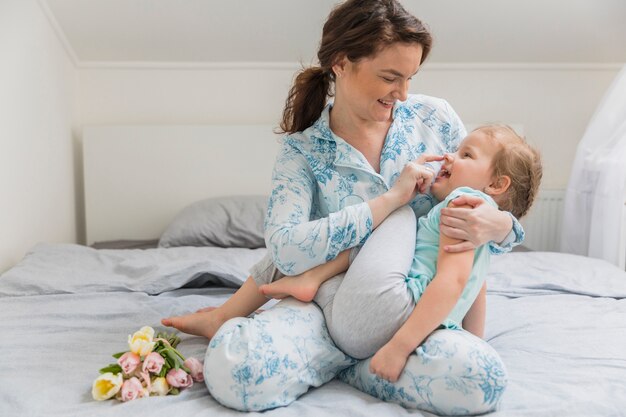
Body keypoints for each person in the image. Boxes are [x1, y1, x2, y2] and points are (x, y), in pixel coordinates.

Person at [162, 0, 525, 413]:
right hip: (325, 310)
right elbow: (285, 249)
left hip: (417, 310)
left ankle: (360, 364)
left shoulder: (435, 117)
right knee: (236, 372)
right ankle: (352, 356)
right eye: (390, 77)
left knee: (483, 381)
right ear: (341, 62)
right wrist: (389, 201)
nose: (403, 94)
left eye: (410, 78)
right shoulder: (303, 152)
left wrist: (498, 226)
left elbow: (486, 202)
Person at [258, 125, 542, 382]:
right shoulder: (482, 228)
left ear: (495, 185)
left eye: (466, 154)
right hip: (417, 328)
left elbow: (451, 282)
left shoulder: (463, 204)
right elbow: (475, 287)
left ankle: (311, 280)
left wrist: (399, 347)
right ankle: (314, 284)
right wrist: (473, 342)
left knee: (398, 211)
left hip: (394, 316)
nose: (449, 156)